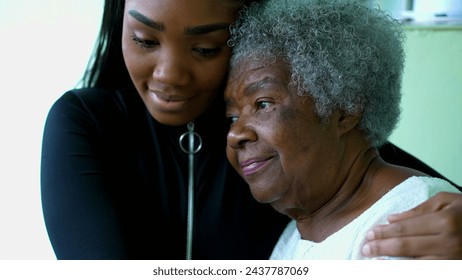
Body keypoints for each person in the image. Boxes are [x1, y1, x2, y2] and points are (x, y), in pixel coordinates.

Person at [40, 0, 462, 260]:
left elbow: (381, 172)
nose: (169, 76)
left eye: (205, 48)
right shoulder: (88, 124)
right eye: (145, 40)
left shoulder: (295, 139)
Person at [224, 0, 461, 259]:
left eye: (263, 104)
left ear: (345, 110)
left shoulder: (420, 216)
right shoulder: (297, 233)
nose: (235, 134)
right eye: (232, 116)